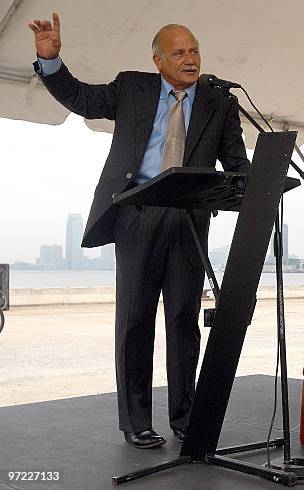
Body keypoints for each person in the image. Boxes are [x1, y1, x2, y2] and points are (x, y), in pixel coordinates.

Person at [28, 13, 250, 449]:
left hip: (189, 218)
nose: (191, 59)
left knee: (184, 321)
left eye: (195, 50)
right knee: (135, 322)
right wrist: (51, 61)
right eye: (180, 52)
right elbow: (82, 99)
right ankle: (136, 421)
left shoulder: (219, 102)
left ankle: (185, 419)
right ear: (158, 60)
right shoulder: (132, 87)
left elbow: (236, 163)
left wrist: (252, 187)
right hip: (138, 213)